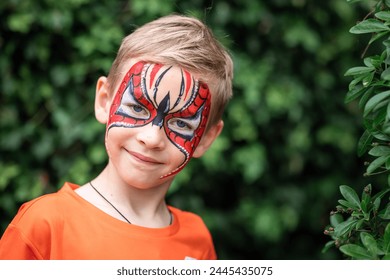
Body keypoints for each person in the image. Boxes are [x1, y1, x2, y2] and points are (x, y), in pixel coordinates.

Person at [0, 14, 233, 260]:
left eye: (181, 123)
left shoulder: (197, 242)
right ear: (104, 101)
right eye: (137, 108)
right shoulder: (45, 226)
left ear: (206, 138)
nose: (152, 138)